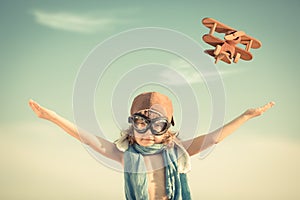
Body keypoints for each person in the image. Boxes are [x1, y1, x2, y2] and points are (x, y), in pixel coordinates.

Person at [28, 91, 274, 200]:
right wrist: (52, 117)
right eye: (140, 124)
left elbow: (213, 138)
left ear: (167, 130)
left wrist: (246, 116)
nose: (148, 133)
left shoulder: (177, 152)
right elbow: (88, 139)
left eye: (157, 127)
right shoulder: (126, 154)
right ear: (131, 127)